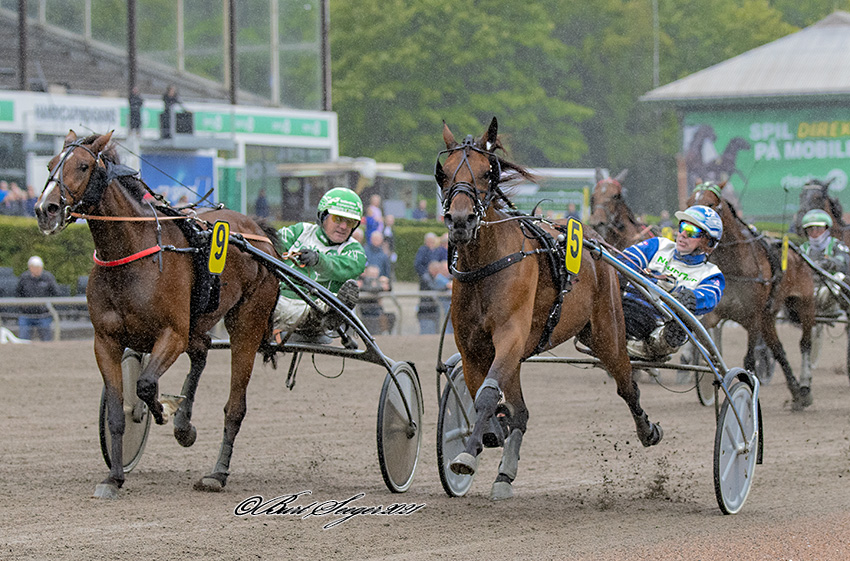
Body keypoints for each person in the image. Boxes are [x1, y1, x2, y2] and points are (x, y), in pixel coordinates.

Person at [617, 205, 725, 361]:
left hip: (657, 330)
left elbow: (706, 299)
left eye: (692, 232)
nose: (682, 235)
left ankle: (639, 345)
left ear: (708, 243)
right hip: (623, 312)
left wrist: (677, 291)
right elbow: (624, 262)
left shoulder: (711, 274)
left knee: (681, 320)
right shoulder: (658, 245)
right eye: (682, 227)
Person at [272, 187, 366, 344]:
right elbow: (270, 246)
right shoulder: (299, 231)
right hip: (277, 300)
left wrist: (318, 260)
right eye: (338, 219)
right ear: (323, 216)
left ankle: (326, 316)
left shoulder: (354, 251)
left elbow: (344, 268)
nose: (343, 226)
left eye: (350, 222)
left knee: (334, 300)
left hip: (315, 309)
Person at [799, 209, 850, 317]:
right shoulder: (802, 249)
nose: (814, 232)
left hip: (829, 285)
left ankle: (841, 308)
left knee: (841, 277)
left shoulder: (836, 245)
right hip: (807, 286)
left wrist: (827, 263)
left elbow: (842, 260)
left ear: (826, 228)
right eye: (810, 229)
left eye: (818, 228)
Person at [15, 255, 61, 341]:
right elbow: (18, 293)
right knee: (23, 341)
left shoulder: (48, 278)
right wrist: (23, 306)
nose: (37, 269)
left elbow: (56, 293)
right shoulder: (24, 278)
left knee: (47, 341)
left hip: (44, 315)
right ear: (30, 268)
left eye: (39, 267)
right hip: (26, 315)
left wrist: (48, 307)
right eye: (35, 267)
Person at [357, 264, 395, 335]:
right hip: (366, 311)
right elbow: (370, 289)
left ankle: (386, 333)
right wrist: (380, 287)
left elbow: (389, 288)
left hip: (377, 310)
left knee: (391, 316)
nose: (373, 277)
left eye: (375, 275)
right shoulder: (362, 281)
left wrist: (387, 282)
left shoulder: (378, 281)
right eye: (372, 274)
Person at [417, 259, 453, 334]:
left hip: (433, 309)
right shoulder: (426, 277)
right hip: (426, 310)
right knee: (427, 333)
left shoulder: (432, 277)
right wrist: (446, 287)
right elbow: (433, 288)